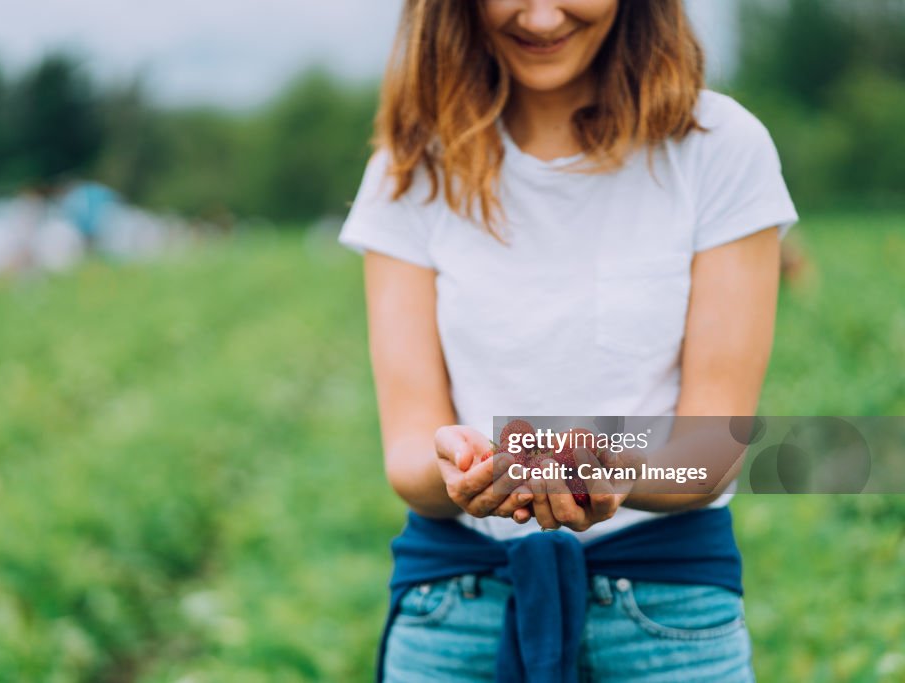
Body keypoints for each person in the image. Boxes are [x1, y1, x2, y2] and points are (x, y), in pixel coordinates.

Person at [338, 1, 797, 682]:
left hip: (665, 613)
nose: (543, 16)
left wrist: (610, 466)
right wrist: (462, 467)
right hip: (457, 609)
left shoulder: (720, 148)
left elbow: (713, 447)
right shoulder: (411, 168)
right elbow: (410, 451)